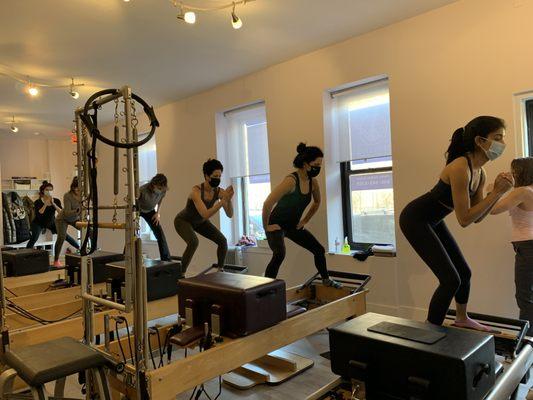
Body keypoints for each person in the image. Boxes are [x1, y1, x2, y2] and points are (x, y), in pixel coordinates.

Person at [399, 116, 514, 330]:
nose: (502, 144)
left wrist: (496, 194)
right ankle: (430, 329)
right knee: (450, 279)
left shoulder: (480, 172)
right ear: (480, 141)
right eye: (498, 138)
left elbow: (477, 217)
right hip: (414, 218)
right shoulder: (460, 166)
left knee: (464, 273)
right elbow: (464, 219)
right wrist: (497, 192)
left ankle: (461, 318)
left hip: (433, 220)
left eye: (503, 138)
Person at [262, 143, 342, 288]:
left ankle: (326, 279)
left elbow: (317, 202)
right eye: (316, 164)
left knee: (319, 250)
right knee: (279, 254)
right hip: (276, 225)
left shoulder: (313, 183)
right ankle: (265, 288)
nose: (318, 168)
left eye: (320, 165)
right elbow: (268, 203)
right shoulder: (291, 181)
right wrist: (266, 226)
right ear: (305, 164)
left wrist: (305, 220)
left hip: (293, 225)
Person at [490, 157, 533, 335]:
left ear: (521, 172)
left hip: (528, 247)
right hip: (528, 245)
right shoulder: (527, 190)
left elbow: (493, 209)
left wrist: (496, 190)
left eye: (514, 171)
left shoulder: (522, 191)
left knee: (525, 298)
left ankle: (527, 345)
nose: (512, 174)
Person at [174, 159, 233, 273]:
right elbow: (205, 214)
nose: (218, 179)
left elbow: (229, 214)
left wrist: (228, 200)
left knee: (222, 241)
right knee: (193, 242)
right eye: (215, 176)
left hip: (200, 222)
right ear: (206, 176)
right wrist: (222, 202)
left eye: (220, 176)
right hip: (183, 220)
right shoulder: (196, 191)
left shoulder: (219, 192)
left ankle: (220, 269)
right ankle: (181, 273)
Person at [27, 181, 79, 264]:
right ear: (43, 191)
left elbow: (62, 213)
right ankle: (25, 255)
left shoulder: (56, 201)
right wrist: (46, 204)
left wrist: (53, 204)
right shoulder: (37, 202)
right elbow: (39, 213)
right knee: (34, 238)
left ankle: (80, 248)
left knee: (65, 236)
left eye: (51, 190)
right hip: (38, 222)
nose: (49, 191)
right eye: (47, 190)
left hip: (51, 222)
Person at [138, 174, 171, 261]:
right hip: (138, 210)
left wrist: (158, 213)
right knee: (132, 233)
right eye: (158, 188)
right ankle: (125, 256)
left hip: (150, 211)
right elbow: (134, 202)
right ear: (153, 184)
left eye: (161, 188)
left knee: (160, 234)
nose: (159, 191)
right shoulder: (142, 190)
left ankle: (166, 260)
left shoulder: (163, 190)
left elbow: (160, 200)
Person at [53, 177, 82, 267]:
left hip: (74, 218)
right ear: (72, 187)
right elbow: (67, 212)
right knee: (61, 237)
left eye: (79, 188)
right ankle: (56, 260)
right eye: (75, 187)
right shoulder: (67, 195)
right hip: (63, 219)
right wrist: (77, 211)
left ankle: (91, 250)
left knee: (89, 230)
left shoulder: (83, 195)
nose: (77, 190)